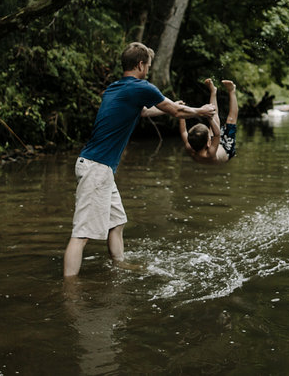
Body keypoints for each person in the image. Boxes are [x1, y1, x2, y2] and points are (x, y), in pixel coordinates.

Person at [62, 42, 216, 277]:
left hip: (98, 168)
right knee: (81, 234)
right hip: (97, 168)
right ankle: (69, 290)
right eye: (149, 65)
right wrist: (200, 111)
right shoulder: (142, 87)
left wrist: (174, 107)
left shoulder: (116, 87)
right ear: (141, 64)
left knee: (117, 221)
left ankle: (119, 266)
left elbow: (144, 111)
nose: (149, 70)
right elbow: (176, 112)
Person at [178, 78, 238, 165]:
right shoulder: (209, 154)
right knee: (231, 120)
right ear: (208, 142)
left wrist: (181, 114)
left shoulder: (189, 147)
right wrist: (210, 118)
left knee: (214, 117)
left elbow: (183, 131)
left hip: (214, 143)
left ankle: (213, 91)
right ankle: (232, 91)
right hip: (227, 149)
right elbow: (217, 134)